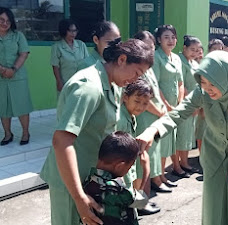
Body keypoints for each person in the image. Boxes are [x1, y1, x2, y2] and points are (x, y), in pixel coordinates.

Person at [137, 51, 228, 225]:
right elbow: (178, 114)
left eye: (212, 83)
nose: (207, 88)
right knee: (214, 207)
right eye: (203, 82)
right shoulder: (202, 92)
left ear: (226, 78)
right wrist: (153, 130)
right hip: (215, 155)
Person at [40, 38, 154, 225]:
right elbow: (61, 141)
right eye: (137, 73)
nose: (135, 80)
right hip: (73, 182)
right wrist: (78, 197)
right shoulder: (89, 86)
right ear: (122, 59)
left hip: (93, 182)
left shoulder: (113, 84)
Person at [132, 30, 166, 213]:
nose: (151, 50)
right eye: (147, 46)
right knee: (141, 163)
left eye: (152, 47)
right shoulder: (136, 68)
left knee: (148, 161)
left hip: (153, 119)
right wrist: (160, 112)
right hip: (144, 117)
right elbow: (143, 98)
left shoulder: (149, 67)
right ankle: (140, 204)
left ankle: (143, 200)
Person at [82, 131, 148, 225]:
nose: (128, 170)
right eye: (130, 166)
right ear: (120, 166)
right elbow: (142, 203)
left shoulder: (88, 181)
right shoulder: (118, 188)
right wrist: (146, 170)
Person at [153, 24, 189, 184]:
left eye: (173, 37)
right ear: (159, 40)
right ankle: (158, 177)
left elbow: (180, 82)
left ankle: (162, 175)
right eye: (166, 37)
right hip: (160, 106)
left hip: (175, 107)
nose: (171, 40)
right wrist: (166, 105)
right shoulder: (156, 57)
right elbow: (155, 85)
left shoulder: (176, 58)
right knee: (161, 142)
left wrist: (180, 102)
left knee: (170, 141)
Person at [117, 79, 153, 214]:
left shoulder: (130, 116)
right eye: (137, 101)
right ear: (125, 97)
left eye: (145, 103)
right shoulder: (120, 120)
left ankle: (139, 204)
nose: (141, 107)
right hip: (121, 174)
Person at [0, 7, 32, 146]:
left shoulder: (18, 35)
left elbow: (24, 53)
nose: (5, 23)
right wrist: (2, 69)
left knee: (22, 106)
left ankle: (25, 133)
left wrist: (13, 69)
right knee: (3, 108)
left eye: (8, 20)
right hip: (1, 78)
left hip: (17, 76)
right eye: (1, 20)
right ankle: (8, 134)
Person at [176, 35, 202, 173]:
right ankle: (180, 164)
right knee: (181, 134)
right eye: (192, 49)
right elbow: (181, 85)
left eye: (197, 50)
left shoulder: (195, 63)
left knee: (187, 135)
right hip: (183, 103)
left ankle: (184, 162)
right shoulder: (179, 61)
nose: (194, 52)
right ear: (184, 48)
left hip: (193, 103)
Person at [51, 19, 89, 92]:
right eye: (70, 31)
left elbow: (87, 63)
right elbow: (55, 66)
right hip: (66, 82)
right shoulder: (57, 47)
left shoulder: (81, 45)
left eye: (75, 31)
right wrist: (59, 82)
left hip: (81, 82)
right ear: (64, 31)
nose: (73, 33)